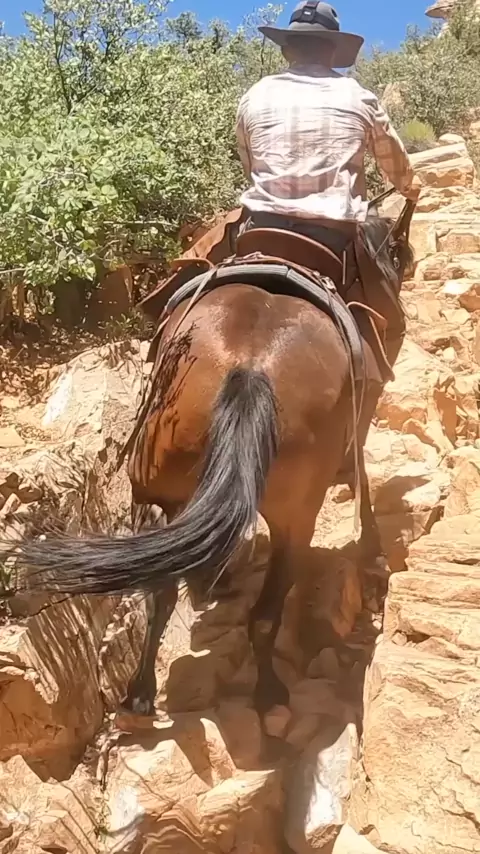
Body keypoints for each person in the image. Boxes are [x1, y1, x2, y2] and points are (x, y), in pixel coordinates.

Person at [236, 0, 422, 258]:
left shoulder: (255, 95)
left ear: (287, 51)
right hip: (332, 236)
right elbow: (392, 159)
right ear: (332, 52)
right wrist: (410, 187)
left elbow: (250, 165)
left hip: (263, 227)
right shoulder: (358, 97)